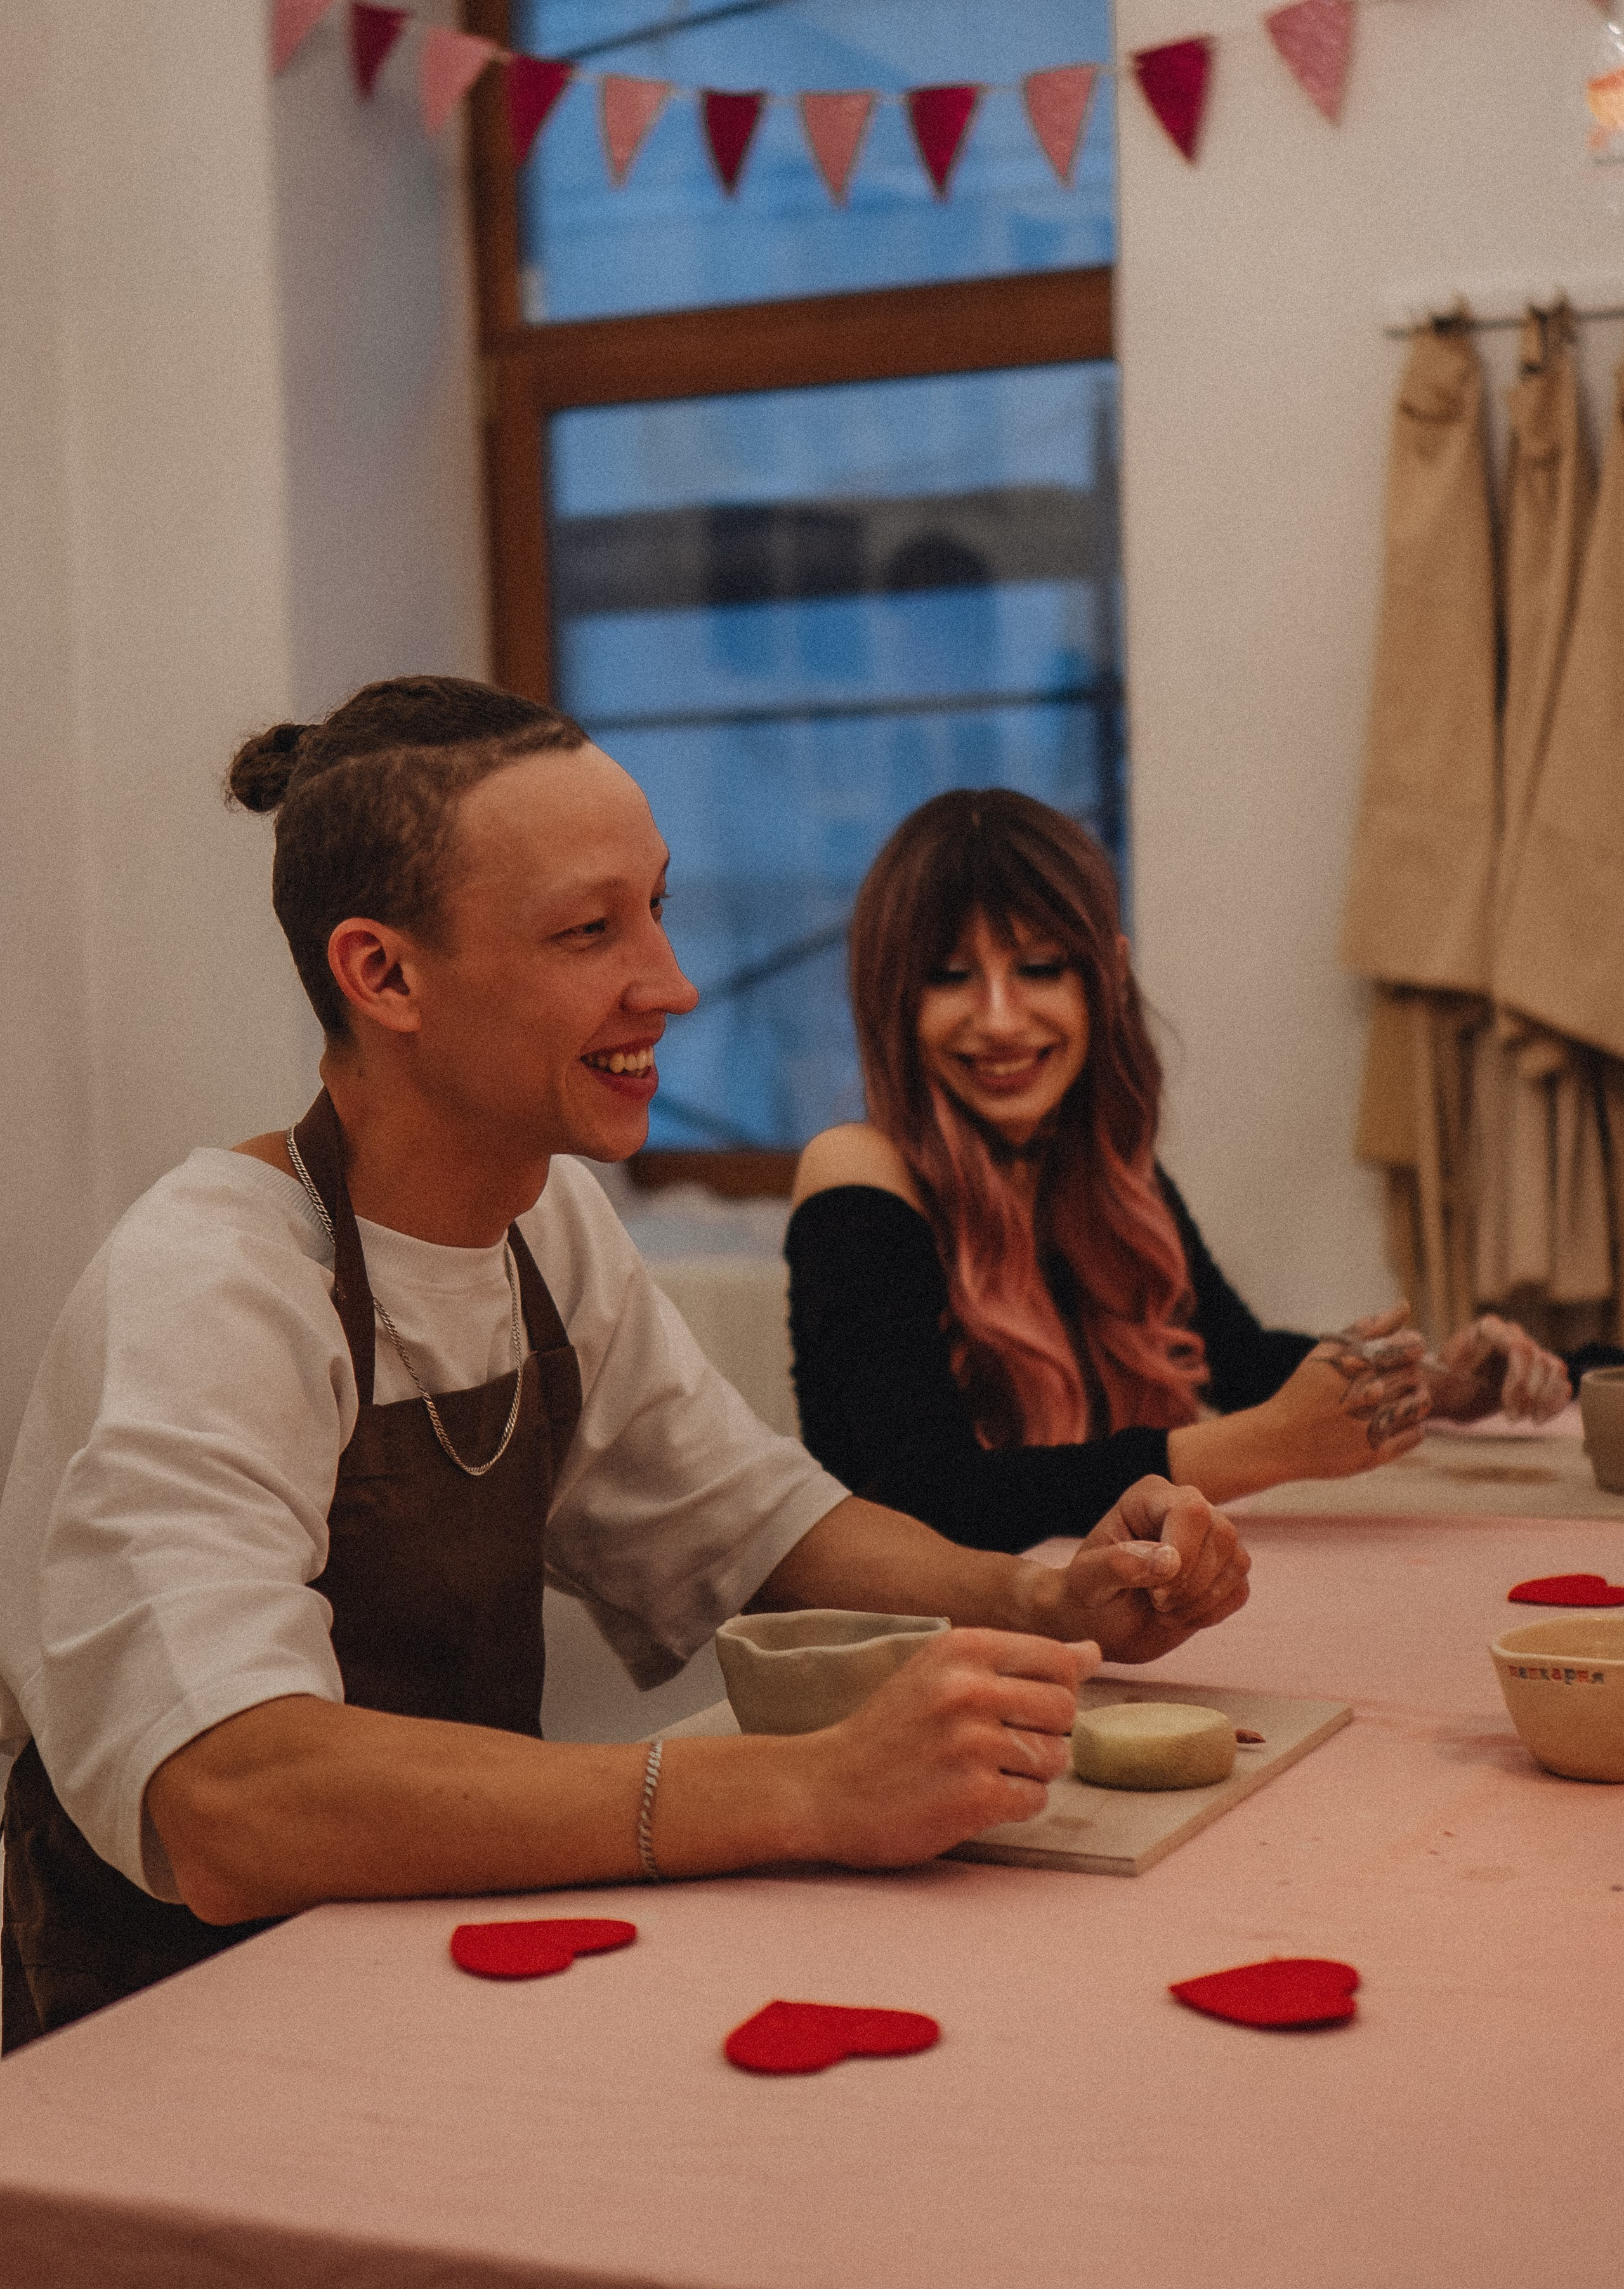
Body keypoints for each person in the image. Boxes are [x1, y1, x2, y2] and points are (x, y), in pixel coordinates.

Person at [0, 682, 1252, 2051]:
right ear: (383, 973)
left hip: (424, 1980)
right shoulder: (214, 1283)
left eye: (656, 909)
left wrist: (1043, 1589)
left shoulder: (545, 1224)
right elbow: (230, 1795)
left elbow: (754, 1521)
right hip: (165, 2041)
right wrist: (802, 1791)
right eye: (589, 931)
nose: (671, 982)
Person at [787, 789, 1572, 1554]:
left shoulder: (1105, 1170)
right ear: (890, 998)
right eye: (949, 976)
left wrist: (1439, 1384)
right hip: (914, 1651)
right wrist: (1266, 1446)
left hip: (1081, 1615)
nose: (998, 1018)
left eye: (1038, 968)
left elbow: (1240, 1358)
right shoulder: (857, 1172)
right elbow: (934, 1498)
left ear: (1108, 978)